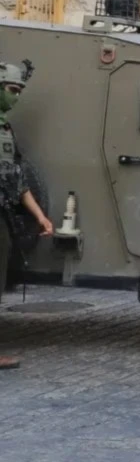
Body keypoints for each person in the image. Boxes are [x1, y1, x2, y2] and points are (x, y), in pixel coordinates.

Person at [0, 60, 54, 371]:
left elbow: (17, 179)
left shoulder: (6, 130)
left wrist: (40, 217)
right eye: (11, 90)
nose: (15, 97)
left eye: (19, 91)